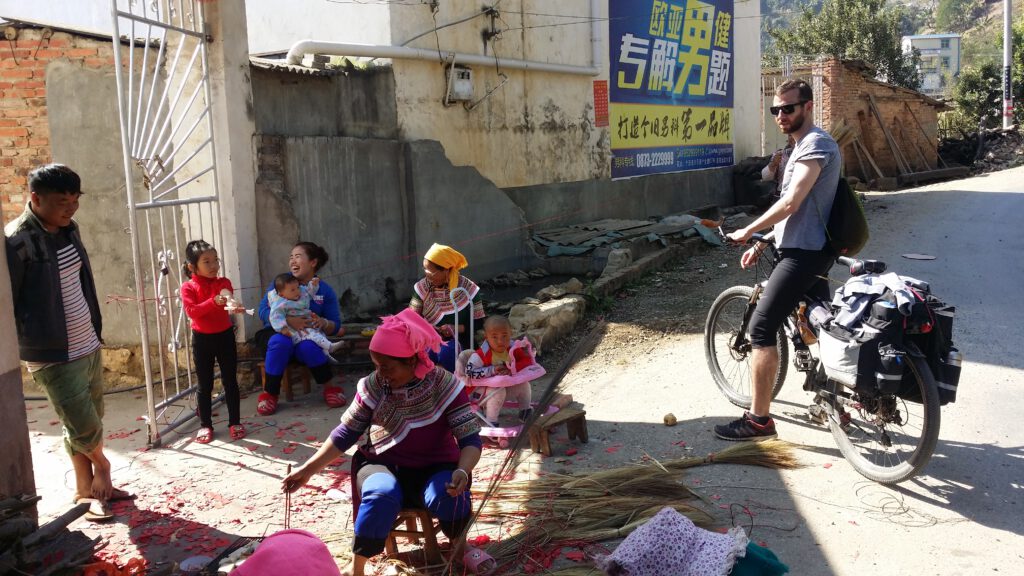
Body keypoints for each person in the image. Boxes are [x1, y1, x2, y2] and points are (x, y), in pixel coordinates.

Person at [283, 308, 492, 576]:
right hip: (381, 464)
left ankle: (461, 550)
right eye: (377, 365)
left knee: (447, 492)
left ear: (412, 360)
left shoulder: (444, 385)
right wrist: (307, 471)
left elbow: (470, 438)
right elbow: (345, 433)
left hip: (436, 467)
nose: (381, 373)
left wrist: (463, 470)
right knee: (380, 495)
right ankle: (357, 567)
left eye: (388, 367)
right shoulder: (373, 385)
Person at [716, 79, 841, 441]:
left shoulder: (816, 144)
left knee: (760, 327)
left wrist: (745, 230)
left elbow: (792, 203)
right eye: (776, 110)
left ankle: (759, 421)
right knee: (820, 326)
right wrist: (764, 239)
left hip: (805, 254)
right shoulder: (798, 147)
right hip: (806, 248)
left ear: (808, 106)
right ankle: (836, 400)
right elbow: (797, 212)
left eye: (789, 108)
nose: (781, 115)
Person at [5, 164, 131, 521]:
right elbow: (10, 302)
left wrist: (92, 330)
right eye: (62, 202)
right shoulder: (17, 241)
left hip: (86, 342)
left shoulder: (68, 229)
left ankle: (84, 490)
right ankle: (102, 468)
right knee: (82, 423)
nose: (71, 209)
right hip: (52, 353)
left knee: (89, 417)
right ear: (35, 199)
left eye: (75, 201)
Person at [256, 242, 345, 415]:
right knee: (280, 342)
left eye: (298, 256)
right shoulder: (282, 282)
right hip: (277, 333)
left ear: (313, 262)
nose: (292, 261)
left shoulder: (324, 290)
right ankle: (269, 395)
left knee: (309, 347)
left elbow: (336, 325)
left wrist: (324, 323)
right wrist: (288, 320)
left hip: (306, 335)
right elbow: (263, 311)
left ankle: (330, 389)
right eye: (291, 257)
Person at [180, 239, 246, 444]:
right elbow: (193, 312)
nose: (214, 266)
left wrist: (233, 304)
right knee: (205, 384)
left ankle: (235, 422)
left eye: (215, 260)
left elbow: (227, 297)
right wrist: (212, 301)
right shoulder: (188, 288)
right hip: (202, 340)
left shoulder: (223, 282)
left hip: (225, 336)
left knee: (230, 381)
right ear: (193, 267)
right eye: (206, 262)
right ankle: (205, 425)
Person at [410, 243, 485, 373]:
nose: (426, 274)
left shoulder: (468, 289)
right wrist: (429, 329)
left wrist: (455, 328)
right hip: (431, 339)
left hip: (462, 341)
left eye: (430, 271)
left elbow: (479, 323)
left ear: (446, 270)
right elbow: (411, 318)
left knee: (446, 352)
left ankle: (456, 387)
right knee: (423, 353)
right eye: (424, 269)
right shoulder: (422, 288)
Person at [464, 316, 535, 426]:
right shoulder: (480, 355)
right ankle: (491, 421)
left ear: (510, 333)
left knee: (524, 384)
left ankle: (525, 411)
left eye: (504, 336)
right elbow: (469, 373)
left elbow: (527, 361)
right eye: (495, 337)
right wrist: (491, 370)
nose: (500, 341)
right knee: (497, 391)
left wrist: (512, 368)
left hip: (503, 387)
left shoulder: (513, 349)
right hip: (479, 394)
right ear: (486, 337)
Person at [267, 273, 345, 357]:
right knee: (311, 335)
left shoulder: (302, 293)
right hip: (295, 331)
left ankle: (326, 353)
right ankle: (329, 347)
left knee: (318, 333)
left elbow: (309, 292)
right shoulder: (280, 303)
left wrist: (313, 285)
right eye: (292, 290)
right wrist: (283, 328)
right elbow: (275, 316)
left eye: (297, 287)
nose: (297, 291)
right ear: (281, 294)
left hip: (308, 323)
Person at [761, 134, 795, 200]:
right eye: (790, 135)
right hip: (781, 196)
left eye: (796, 134)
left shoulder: (810, 155)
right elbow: (765, 177)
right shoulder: (780, 154)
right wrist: (773, 164)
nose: (793, 138)